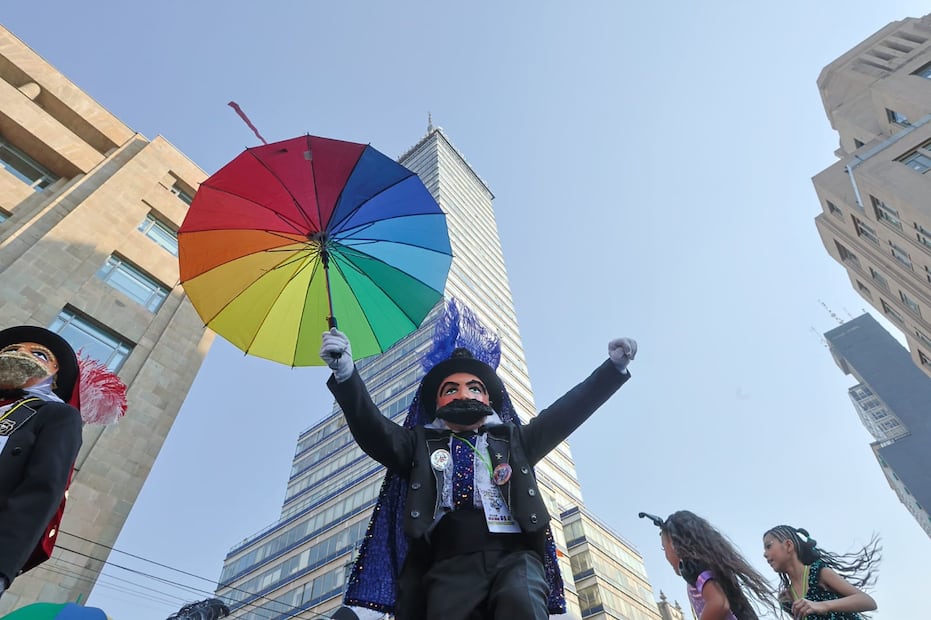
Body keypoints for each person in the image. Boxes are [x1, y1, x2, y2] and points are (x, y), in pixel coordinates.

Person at [319, 301, 637, 620]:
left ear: (487, 398)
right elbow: (374, 430)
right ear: (437, 402)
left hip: (515, 555)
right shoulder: (419, 444)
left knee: (521, 601)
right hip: (447, 563)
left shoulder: (514, 440)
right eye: (451, 389)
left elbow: (566, 413)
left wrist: (612, 370)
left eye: (474, 388)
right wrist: (346, 374)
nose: (463, 395)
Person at [0, 325, 83, 599]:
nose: (20, 353)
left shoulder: (56, 415)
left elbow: (41, 490)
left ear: (55, 375)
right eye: (12, 349)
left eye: (38, 353)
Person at [639, 510, 776, 620]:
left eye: (664, 548)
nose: (666, 555)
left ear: (674, 543)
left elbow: (719, 603)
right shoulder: (707, 566)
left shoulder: (692, 565)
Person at [762, 525, 879, 619]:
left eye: (768, 546)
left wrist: (823, 606)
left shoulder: (819, 572)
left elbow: (868, 602)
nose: (764, 554)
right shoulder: (787, 598)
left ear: (788, 545)